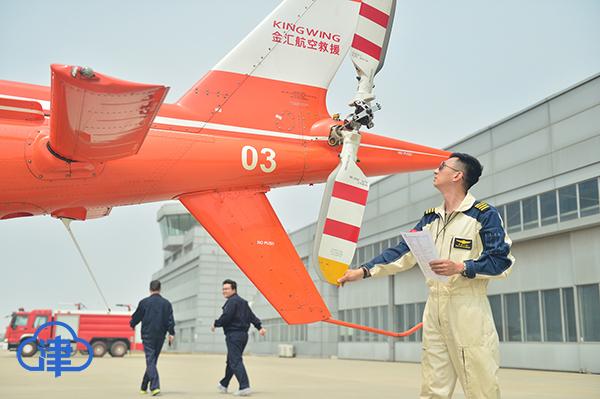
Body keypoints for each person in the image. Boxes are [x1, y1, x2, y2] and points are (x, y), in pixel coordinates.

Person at [338, 153, 514, 399]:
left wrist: (462, 267)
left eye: (442, 166)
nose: (436, 170)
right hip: (434, 308)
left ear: (457, 175)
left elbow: (501, 261)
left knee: (480, 385)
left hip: (467, 308)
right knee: (433, 387)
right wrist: (363, 271)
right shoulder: (431, 218)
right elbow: (403, 251)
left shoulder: (483, 215)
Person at [211, 279, 266, 397]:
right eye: (223, 289)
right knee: (231, 360)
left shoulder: (231, 302)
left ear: (233, 289)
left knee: (235, 360)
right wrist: (259, 327)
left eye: (226, 289)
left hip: (234, 335)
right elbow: (252, 316)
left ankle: (244, 386)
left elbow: (226, 317)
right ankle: (224, 384)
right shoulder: (243, 302)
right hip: (243, 336)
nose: (224, 291)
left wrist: (216, 323)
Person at [130, 280, 175, 396]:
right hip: (160, 335)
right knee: (152, 361)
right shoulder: (167, 303)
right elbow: (170, 320)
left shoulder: (144, 302)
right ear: (160, 289)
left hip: (147, 335)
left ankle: (155, 387)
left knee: (151, 360)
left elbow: (137, 316)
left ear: (150, 289)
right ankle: (144, 387)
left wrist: (132, 324)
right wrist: (171, 333)